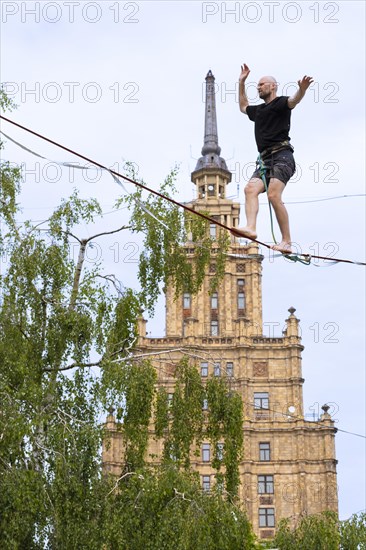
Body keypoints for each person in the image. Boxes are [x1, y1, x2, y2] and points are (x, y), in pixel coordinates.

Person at [234, 63, 313, 253]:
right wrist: (241, 82)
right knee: (250, 189)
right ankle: (251, 228)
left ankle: (286, 241)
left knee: (273, 195)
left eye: (262, 84)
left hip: (282, 157)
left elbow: (294, 100)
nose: (258, 87)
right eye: (257, 85)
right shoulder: (259, 111)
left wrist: (301, 90)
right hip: (265, 161)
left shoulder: (281, 104)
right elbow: (243, 106)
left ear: (273, 86)